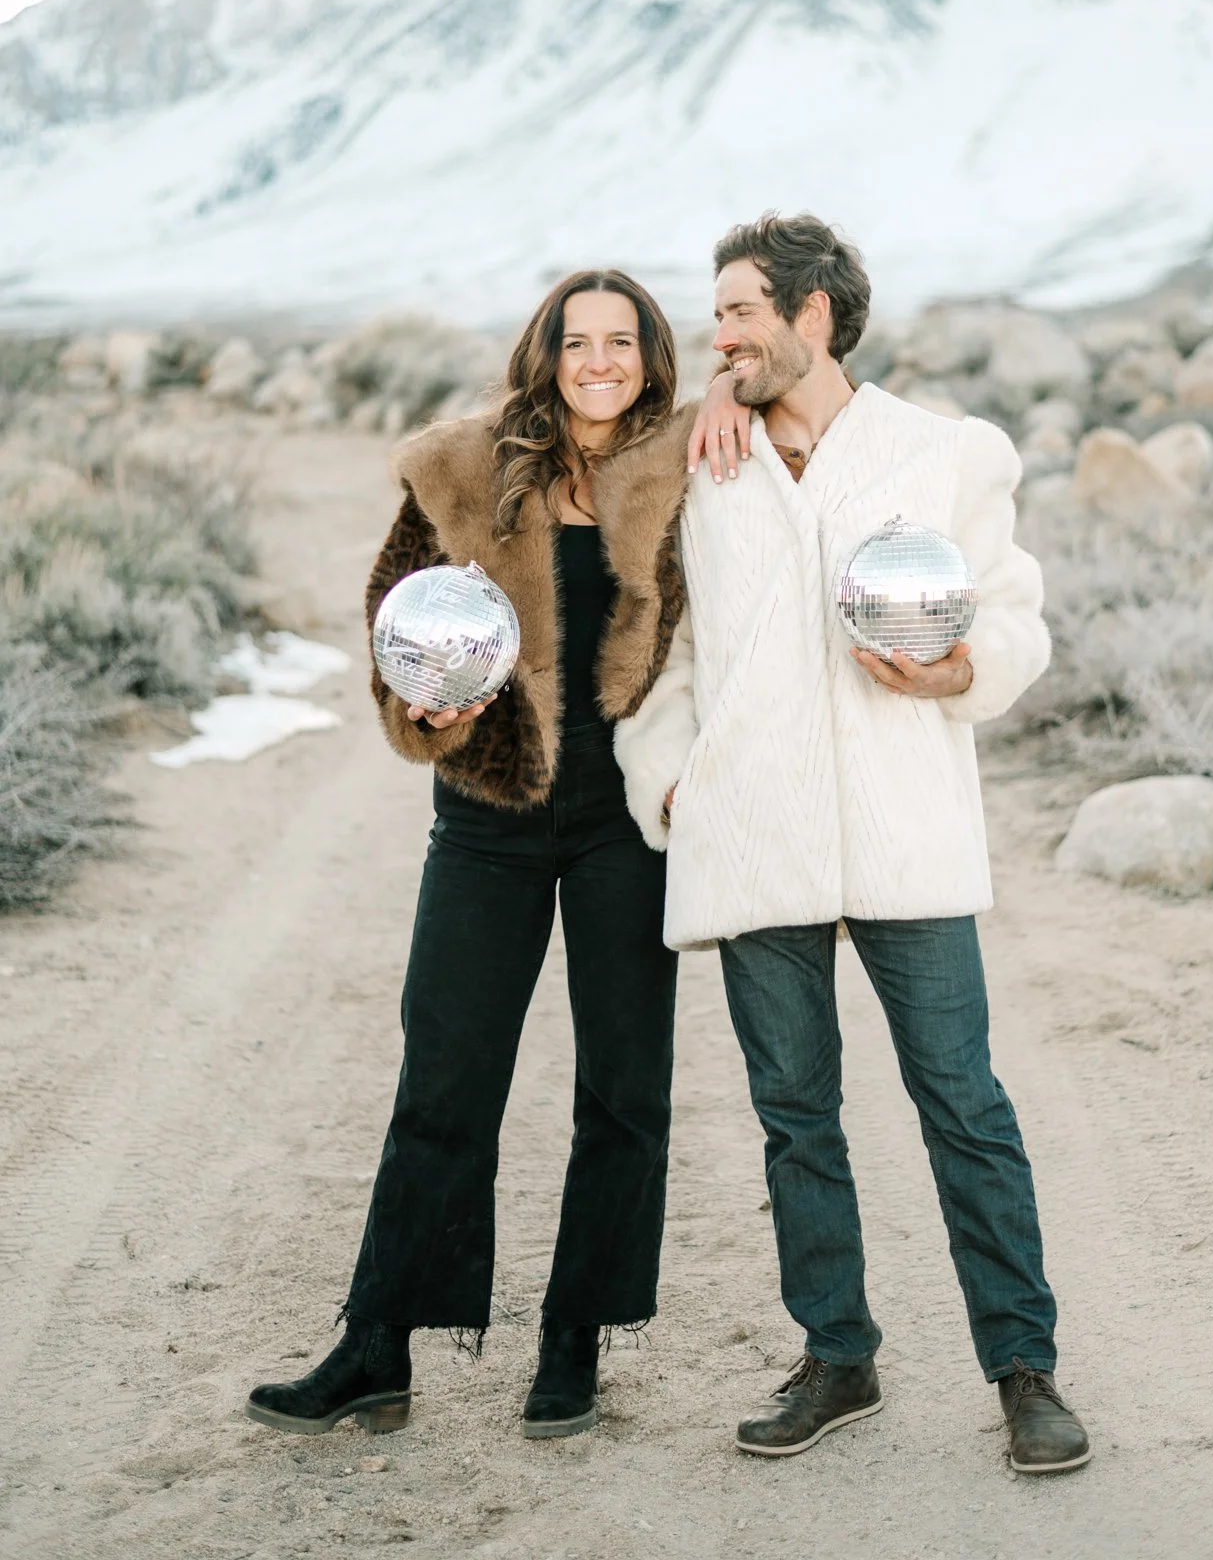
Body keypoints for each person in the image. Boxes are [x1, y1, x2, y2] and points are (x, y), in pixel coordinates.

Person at [615, 213, 1091, 1473]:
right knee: (793, 1112)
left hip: (904, 828)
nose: (715, 335)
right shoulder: (698, 463)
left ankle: (1023, 1365)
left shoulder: (946, 452)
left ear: (812, 313)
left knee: (964, 1104)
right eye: (712, 315)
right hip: (752, 825)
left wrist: (964, 669)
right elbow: (661, 645)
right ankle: (837, 1351)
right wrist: (668, 775)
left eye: (737, 312)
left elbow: (1014, 614)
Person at [247, 269, 703, 1443]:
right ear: (543, 352)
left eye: (622, 340)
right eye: (576, 340)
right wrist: (427, 711)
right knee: (443, 1077)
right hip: (489, 817)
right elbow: (394, 616)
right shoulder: (456, 470)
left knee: (624, 1087)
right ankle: (376, 1343)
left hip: (627, 824)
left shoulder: (694, 472)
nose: (599, 360)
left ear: (652, 354)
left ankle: (574, 1335)